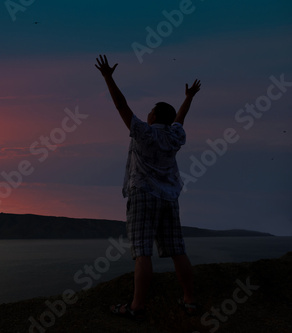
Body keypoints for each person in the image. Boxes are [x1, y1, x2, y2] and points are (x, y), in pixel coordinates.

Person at [95, 54, 201, 320]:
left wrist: (109, 78)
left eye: (151, 111)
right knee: (178, 249)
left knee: (142, 252)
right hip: (169, 197)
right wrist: (188, 98)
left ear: (154, 116)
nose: (148, 113)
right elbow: (181, 118)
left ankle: (137, 307)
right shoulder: (175, 135)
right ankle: (189, 300)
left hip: (143, 194)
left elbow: (121, 106)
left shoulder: (145, 132)